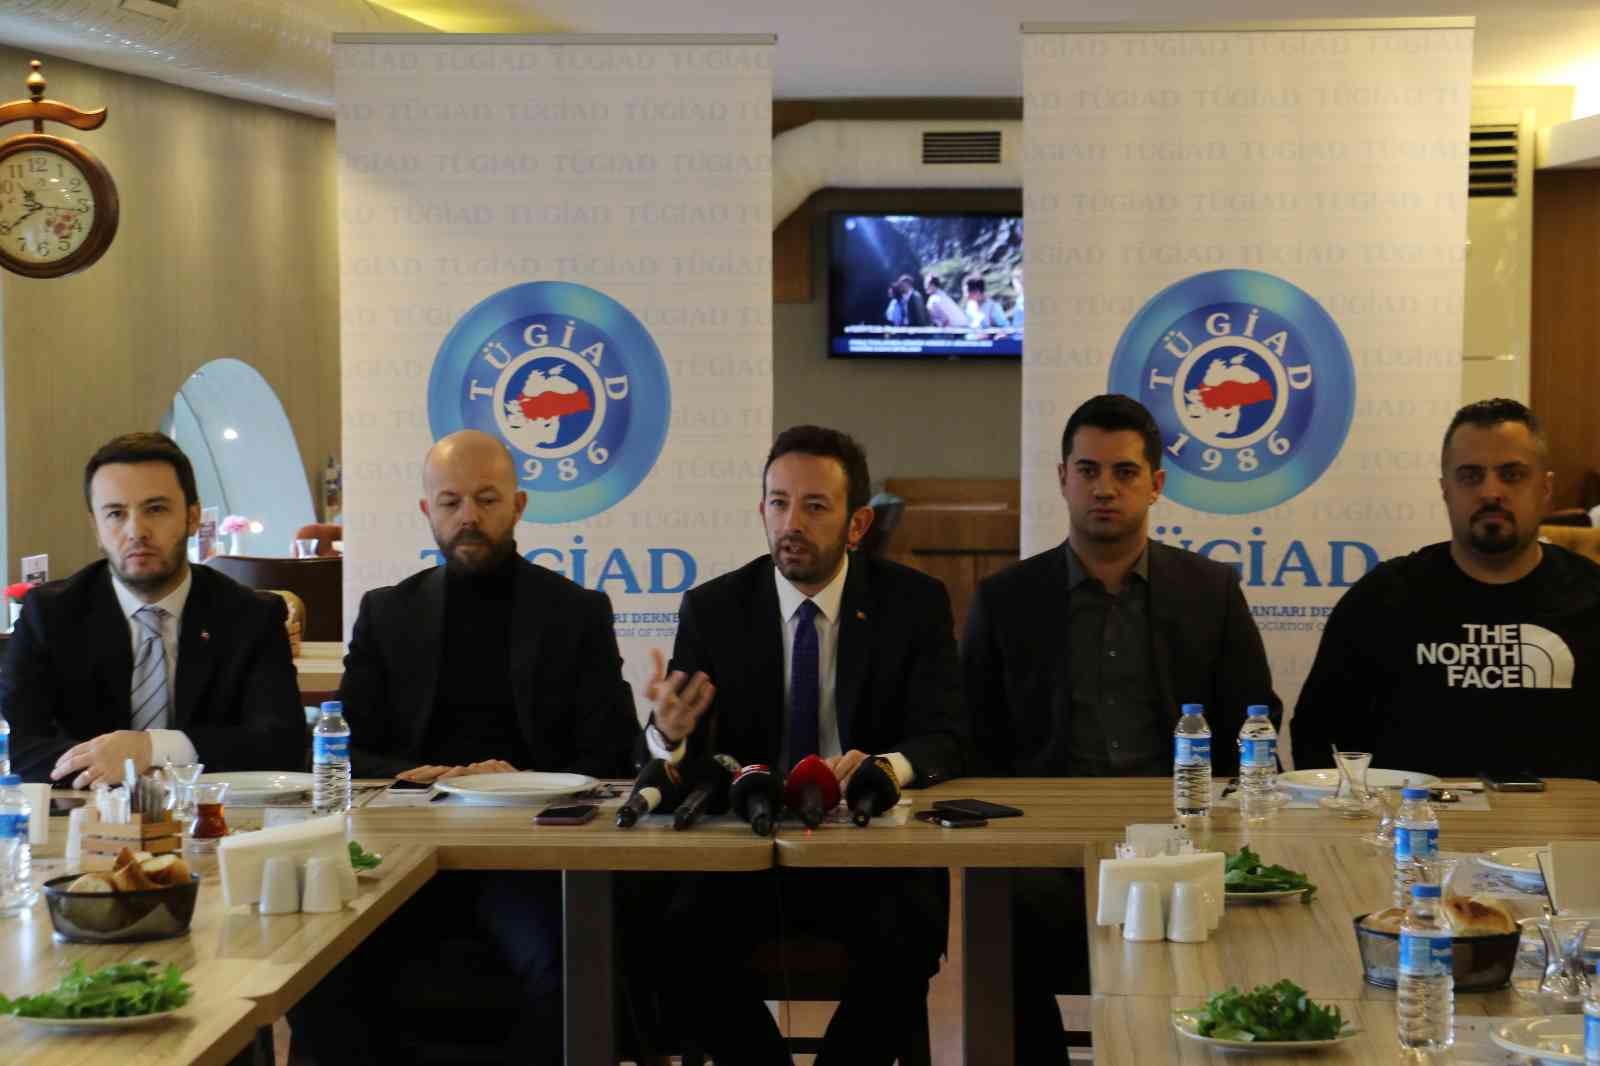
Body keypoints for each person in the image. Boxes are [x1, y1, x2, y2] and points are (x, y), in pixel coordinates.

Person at [287, 429, 638, 1066]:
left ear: (519, 506)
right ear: (428, 511)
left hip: (529, 854)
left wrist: (514, 778)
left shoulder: (576, 612)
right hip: (402, 851)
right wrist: (424, 774)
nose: (468, 516)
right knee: (317, 969)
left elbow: (610, 756)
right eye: (450, 502)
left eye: (486, 499)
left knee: (563, 971)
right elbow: (346, 748)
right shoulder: (387, 613)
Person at [962, 394, 1279, 1062]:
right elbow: (974, 736)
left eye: (1125, 472)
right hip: (1043, 843)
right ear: (1062, 478)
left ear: (1156, 484)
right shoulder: (1006, 599)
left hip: (1183, 842)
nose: (1104, 488)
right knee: (1000, 920)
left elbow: (1254, 719)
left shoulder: (1210, 591)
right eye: (1088, 470)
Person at [646, 424, 966, 1065]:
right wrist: (669, 737)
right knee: (678, 933)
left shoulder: (913, 603)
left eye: (815, 506)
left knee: (909, 934)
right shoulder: (714, 609)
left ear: (857, 524)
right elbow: (678, 756)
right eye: (778, 502)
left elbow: (948, 734)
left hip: (868, 850)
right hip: (747, 851)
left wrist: (889, 767)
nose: (791, 523)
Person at [1290, 399, 1600, 778]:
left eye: (1512, 474)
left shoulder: (1592, 597)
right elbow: (1316, 737)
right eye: (1470, 476)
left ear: (1546, 488)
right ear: (1445, 490)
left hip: (1567, 816)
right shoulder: (1381, 599)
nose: (1491, 492)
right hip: (1412, 814)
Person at [0, 432, 302, 784]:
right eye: (116, 513)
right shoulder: (50, 614)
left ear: (193, 518)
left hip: (216, 814)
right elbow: (13, 745)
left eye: (155, 509)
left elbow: (284, 744)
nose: (136, 531)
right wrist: (114, 767)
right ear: (96, 527)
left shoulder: (250, 616)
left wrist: (153, 749)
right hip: (84, 811)